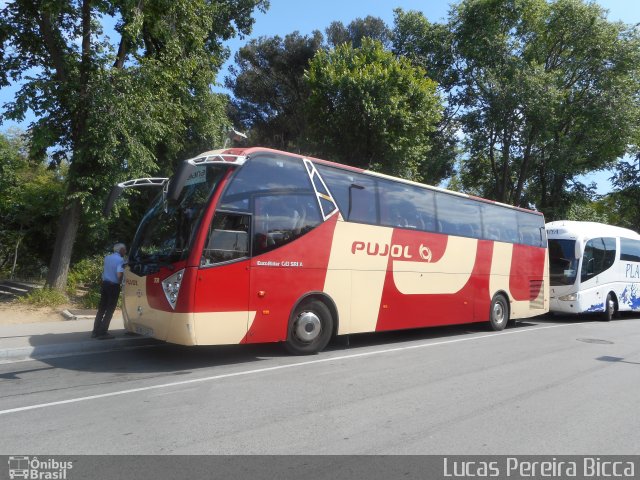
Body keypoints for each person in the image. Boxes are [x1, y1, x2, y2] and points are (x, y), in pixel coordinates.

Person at [92, 243, 126, 339]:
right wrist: (121, 283)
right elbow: (119, 274)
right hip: (113, 286)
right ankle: (103, 332)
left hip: (105, 284)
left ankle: (95, 331)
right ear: (121, 250)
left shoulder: (107, 258)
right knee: (110, 310)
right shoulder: (120, 260)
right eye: (125, 250)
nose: (125, 251)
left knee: (101, 308)